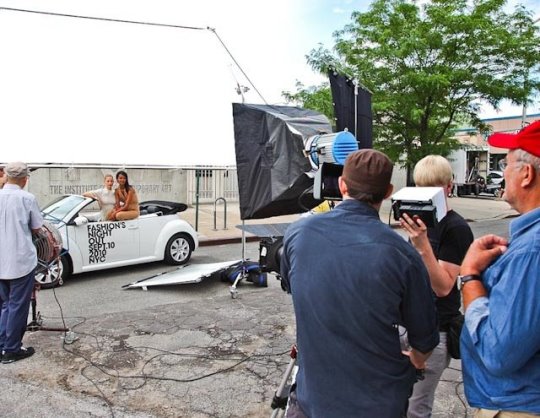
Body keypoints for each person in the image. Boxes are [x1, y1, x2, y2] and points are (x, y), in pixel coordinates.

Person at [281, 149, 439, 418]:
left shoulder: (299, 232)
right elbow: (425, 340)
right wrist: (416, 361)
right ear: (388, 191)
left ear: (343, 185)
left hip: (312, 402)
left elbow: (290, 282)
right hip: (379, 403)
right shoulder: (402, 254)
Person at [459, 120, 540, 417]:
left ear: (526, 173)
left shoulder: (533, 250)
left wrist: (470, 277)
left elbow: (498, 352)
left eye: (505, 164)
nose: (502, 173)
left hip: (517, 406)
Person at [399, 155, 474, 418]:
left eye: (434, 188)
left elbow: (443, 286)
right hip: (408, 323)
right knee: (396, 400)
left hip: (436, 328)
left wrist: (422, 247)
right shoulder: (421, 222)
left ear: (448, 187)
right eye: (422, 188)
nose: (427, 195)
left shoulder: (456, 228)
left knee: (415, 408)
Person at [0, 162, 44, 364]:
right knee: (18, 306)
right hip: (20, 260)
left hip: (1, 261)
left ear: (6, 176)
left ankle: (2, 345)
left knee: (5, 305)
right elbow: (37, 227)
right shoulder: (27, 198)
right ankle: (12, 350)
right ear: (25, 179)